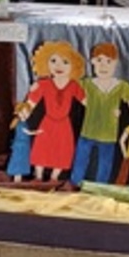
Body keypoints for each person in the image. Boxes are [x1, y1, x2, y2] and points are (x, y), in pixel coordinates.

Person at [70, 42, 129, 185]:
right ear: (93, 62)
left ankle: (101, 187)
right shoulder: (86, 84)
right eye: (99, 60)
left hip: (108, 134)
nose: (103, 66)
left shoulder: (121, 86)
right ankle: (75, 183)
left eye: (108, 61)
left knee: (105, 165)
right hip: (88, 131)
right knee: (80, 160)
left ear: (115, 63)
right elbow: (68, 88)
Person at [23, 41, 86, 181]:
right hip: (47, 123)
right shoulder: (43, 84)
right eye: (53, 61)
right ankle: (38, 176)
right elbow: (31, 104)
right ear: (45, 63)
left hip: (64, 124)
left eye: (65, 62)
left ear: (73, 66)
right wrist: (23, 113)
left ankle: (54, 178)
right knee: (42, 149)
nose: (59, 66)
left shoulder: (74, 85)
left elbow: (87, 102)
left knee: (63, 151)